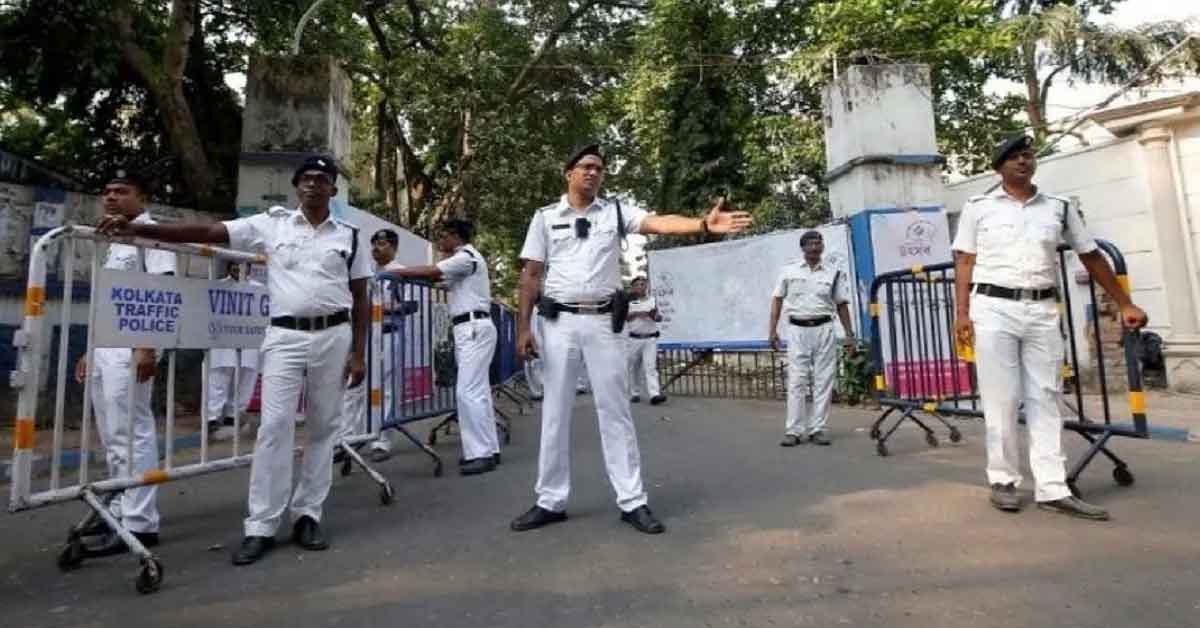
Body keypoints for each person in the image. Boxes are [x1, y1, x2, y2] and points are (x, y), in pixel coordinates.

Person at [96, 154, 371, 564]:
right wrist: (137, 229)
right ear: (297, 187)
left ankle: (307, 513)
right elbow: (207, 231)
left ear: (333, 189)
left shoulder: (349, 236)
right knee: (274, 427)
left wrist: (359, 354)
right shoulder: (269, 224)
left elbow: (362, 295)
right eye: (306, 179)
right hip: (284, 335)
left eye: (322, 179)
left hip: (335, 335)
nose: (313, 184)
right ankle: (261, 525)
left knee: (322, 427)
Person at [512, 142, 752, 535]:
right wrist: (523, 328)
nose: (593, 173)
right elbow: (531, 276)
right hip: (559, 325)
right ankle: (550, 500)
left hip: (605, 323)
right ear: (568, 173)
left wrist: (702, 224)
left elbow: (658, 222)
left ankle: (632, 500)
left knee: (616, 412)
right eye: (586, 166)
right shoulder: (544, 218)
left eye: (599, 168)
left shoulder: (616, 212)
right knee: (554, 413)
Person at [952, 135, 1148, 520]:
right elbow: (964, 262)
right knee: (1002, 398)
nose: (1023, 162)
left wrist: (1124, 301)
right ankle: (1004, 480)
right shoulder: (978, 208)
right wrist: (961, 314)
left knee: (1047, 396)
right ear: (1000, 167)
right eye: (1014, 157)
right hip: (992, 309)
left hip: (1042, 309)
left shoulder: (1058, 208)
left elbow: (1090, 255)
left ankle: (1052, 487)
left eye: (1027, 156)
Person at [75, 167, 176, 555]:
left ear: (142, 198)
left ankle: (140, 523)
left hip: (133, 346)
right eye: (108, 190)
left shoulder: (152, 236)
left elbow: (159, 292)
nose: (112, 196)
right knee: (113, 435)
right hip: (107, 346)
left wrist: (148, 347)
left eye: (122, 190)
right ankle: (119, 506)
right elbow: (110, 300)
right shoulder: (115, 238)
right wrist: (91, 348)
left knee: (132, 432)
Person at [382, 219, 502, 475]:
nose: (441, 241)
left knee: (467, 392)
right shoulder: (467, 261)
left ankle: (480, 453)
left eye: (444, 236)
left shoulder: (465, 257)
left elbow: (433, 272)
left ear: (455, 236)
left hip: (472, 327)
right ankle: (488, 449)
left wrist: (397, 272)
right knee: (477, 391)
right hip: (472, 327)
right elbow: (441, 282)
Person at [767, 230, 854, 447]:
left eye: (819, 243)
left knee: (824, 381)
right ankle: (793, 431)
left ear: (822, 247)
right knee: (797, 380)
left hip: (824, 328)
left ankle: (818, 429)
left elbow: (841, 305)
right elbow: (777, 300)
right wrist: (772, 330)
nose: (815, 247)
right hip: (797, 330)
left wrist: (849, 335)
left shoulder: (833, 273)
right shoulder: (788, 272)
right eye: (811, 244)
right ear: (803, 247)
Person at [338, 229, 410, 462]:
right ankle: (348, 439)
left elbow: (409, 305)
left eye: (381, 243)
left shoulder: (401, 272)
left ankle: (381, 441)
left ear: (394, 247)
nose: (376, 248)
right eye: (373, 244)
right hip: (364, 337)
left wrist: (379, 309)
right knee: (355, 386)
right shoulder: (368, 273)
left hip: (388, 334)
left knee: (385, 388)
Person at [207, 261, 261, 442]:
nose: (238, 270)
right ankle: (212, 417)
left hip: (249, 341)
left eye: (242, 266)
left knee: (245, 379)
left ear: (250, 269)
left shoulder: (259, 289)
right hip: (224, 340)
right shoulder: (219, 286)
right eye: (234, 266)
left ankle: (233, 415)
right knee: (218, 378)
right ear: (228, 268)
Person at [625, 276, 666, 405]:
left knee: (650, 367)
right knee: (633, 367)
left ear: (646, 286)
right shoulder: (629, 300)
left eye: (643, 284)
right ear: (633, 287)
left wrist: (655, 316)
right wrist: (636, 314)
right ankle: (635, 393)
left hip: (650, 338)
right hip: (634, 338)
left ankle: (654, 394)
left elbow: (657, 317)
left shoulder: (653, 300)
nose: (640, 287)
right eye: (637, 285)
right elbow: (624, 318)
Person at [523, 302, 545, 400]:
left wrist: (532, 345)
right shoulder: (536, 309)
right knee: (535, 367)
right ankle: (538, 391)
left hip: (533, 341)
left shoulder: (530, 308)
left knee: (532, 367)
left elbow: (532, 329)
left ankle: (537, 392)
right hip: (538, 341)